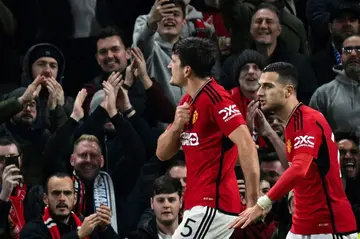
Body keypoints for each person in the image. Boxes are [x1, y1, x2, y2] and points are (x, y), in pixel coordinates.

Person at [232, 62, 357, 239]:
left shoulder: (307, 120)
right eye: (260, 86)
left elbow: (298, 169)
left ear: (288, 91)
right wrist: (268, 132)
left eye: (268, 86)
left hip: (328, 227)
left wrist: (262, 204)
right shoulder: (293, 122)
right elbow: (292, 166)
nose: (259, 92)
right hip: (302, 226)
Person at [156, 37, 260, 239]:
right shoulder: (187, 101)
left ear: (187, 70)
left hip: (213, 205)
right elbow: (162, 153)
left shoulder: (216, 98)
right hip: (198, 205)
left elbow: (247, 144)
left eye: (174, 61)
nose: (169, 65)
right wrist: (177, 125)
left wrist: (253, 198)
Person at [20, 172, 119, 239]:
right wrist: (78, 235)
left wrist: (105, 229)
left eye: (67, 193)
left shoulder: (87, 225)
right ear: (45, 199)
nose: (62, 198)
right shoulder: (32, 229)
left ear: (75, 198)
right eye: (56, 193)